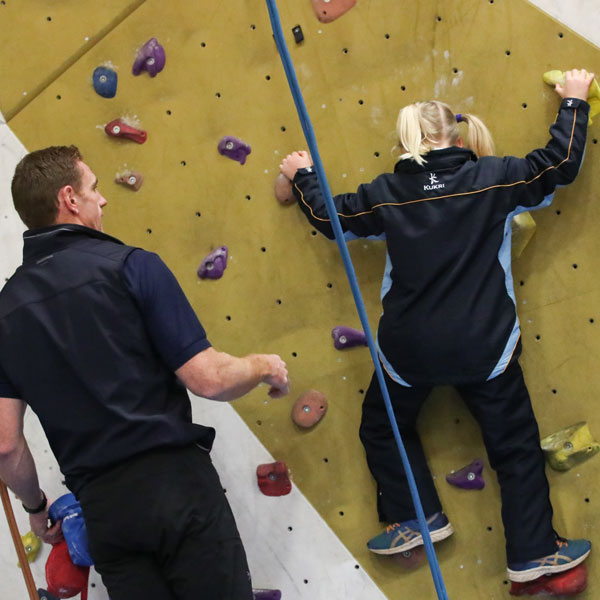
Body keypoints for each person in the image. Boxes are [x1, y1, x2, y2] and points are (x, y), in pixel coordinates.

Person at [279, 69, 594, 583]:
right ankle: (533, 551)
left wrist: (302, 173)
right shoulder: (494, 178)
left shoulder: (388, 193)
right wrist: (574, 102)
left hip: (410, 352)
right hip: (483, 346)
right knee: (513, 447)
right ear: (457, 134)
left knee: (383, 427)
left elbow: (330, 219)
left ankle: (416, 516)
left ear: (408, 141)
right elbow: (558, 164)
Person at [0, 145, 289, 600]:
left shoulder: (5, 314)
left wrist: (35, 507)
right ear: (70, 199)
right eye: (94, 188)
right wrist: (262, 365)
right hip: (176, 488)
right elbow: (209, 378)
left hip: (106, 515)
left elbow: (5, 444)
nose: (104, 199)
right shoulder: (129, 266)